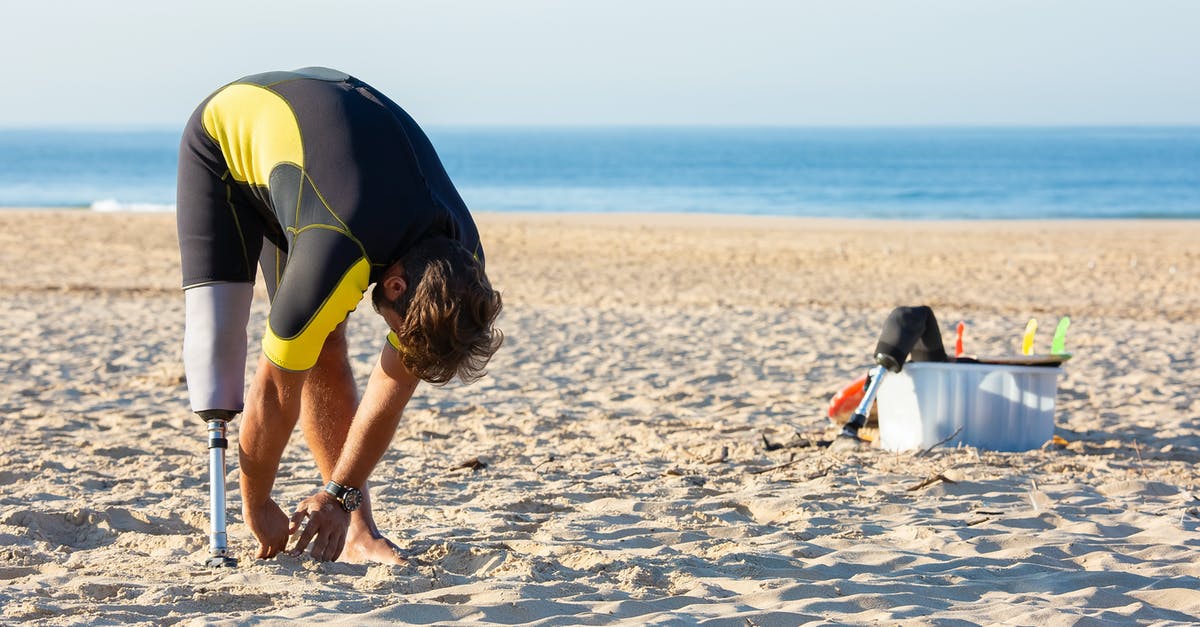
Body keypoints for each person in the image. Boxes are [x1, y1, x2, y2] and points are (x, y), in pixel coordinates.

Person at [176, 67, 503, 563]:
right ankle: (276, 510)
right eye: (399, 333)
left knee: (325, 341)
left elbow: (388, 396)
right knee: (229, 334)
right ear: (394, 285)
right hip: (225, 145)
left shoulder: (463, 270)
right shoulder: (338, 252)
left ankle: (357, 529)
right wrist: (258, 502)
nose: (398, 344)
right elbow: (272, 392)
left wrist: (338, 494)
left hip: (333, 161)